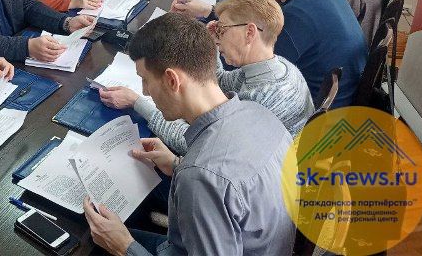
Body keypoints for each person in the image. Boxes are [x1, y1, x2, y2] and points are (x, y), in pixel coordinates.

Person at [83, 13, 295, 256]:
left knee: (92, 243)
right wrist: (177, 164)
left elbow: (214, 182)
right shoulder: (261, 114)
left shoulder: (200, 178)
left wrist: (124, 248)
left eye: (145, 80)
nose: (145, 91)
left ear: (172, 80)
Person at [100, 0, 314, 155]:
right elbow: (218, 81)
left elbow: (194, 141)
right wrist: (208, 46)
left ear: (249, 33)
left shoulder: (259, 101)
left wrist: (137, 102)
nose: (218, 36)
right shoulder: (276, 67)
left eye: (223, 29)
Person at [173, 0, 366, 106]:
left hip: (307, 120)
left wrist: (197, 39)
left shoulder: (295, 16)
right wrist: (210, 11)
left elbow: (232, 70)